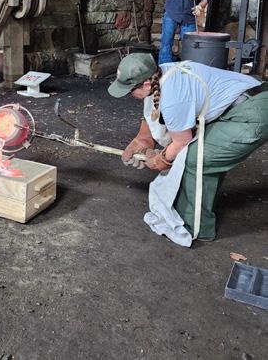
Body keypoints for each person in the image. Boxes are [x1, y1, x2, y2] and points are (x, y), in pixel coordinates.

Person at [108, 53, 267, 246]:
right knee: (196, 151)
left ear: (147, 85)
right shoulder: (162, 73)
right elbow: (154, 108)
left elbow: (181, 142)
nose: (130, 96)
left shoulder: (173, 98)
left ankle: (194, 227)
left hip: (253, 113)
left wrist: (159, 160)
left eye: (130, 91)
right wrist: (143, 139)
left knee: (195, 157)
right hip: (248, 97)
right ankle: (194, 202)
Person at [158, 0, 216, 64]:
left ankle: (186, 70)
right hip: (173, 11)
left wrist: (200, 6)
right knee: (166, 43)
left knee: (190, 45)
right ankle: (165, 69)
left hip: (190, 16)